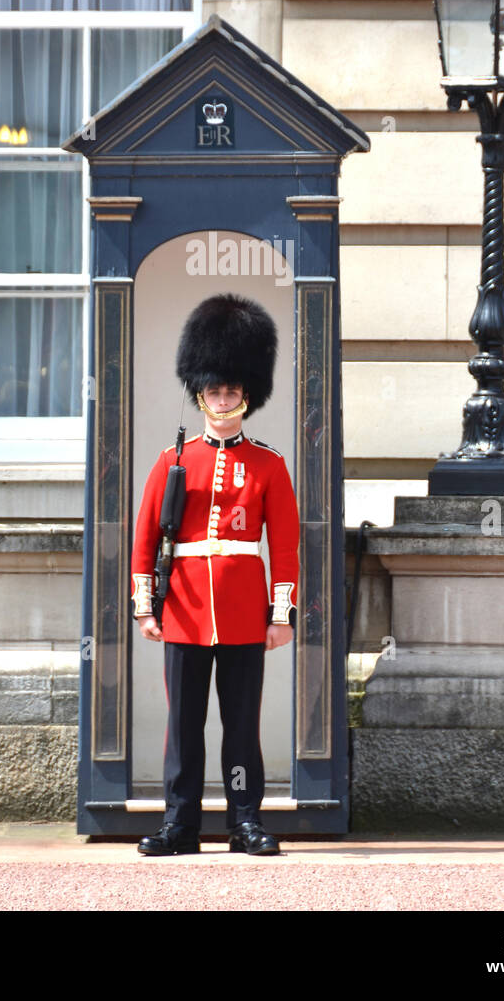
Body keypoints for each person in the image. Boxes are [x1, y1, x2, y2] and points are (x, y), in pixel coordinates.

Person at [130, 293, 300, 856]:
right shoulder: (171, 462)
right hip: (182, 610)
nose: (222, 398)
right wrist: (145, 605)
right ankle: (180, 825)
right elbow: (146, 538)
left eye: (231, 390)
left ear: (246, 395)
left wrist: (281, 616)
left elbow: (286, 546)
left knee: (241, 729)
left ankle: (243, 822)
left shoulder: (269, 465)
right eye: (214, 389)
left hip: (245, 614)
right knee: (183, 729)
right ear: (199, 392)